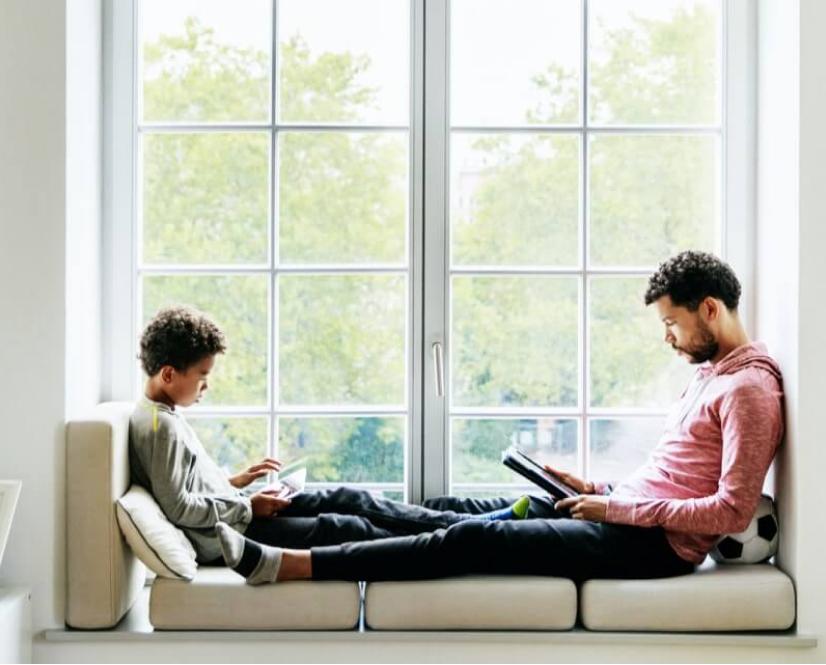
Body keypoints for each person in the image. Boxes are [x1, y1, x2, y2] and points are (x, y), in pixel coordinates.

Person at [215, 250, 786, 586]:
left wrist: (613, 506)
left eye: (672, 323)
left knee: (468, 538)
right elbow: (677, 475)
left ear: (709, 309)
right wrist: (597, 487)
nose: (669, 337)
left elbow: (731, 508)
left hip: (650, 546)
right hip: (620, 513)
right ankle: (274, 508)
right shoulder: (710, 375)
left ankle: (292, 565)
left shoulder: (750, 391)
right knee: (446, 509)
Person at [128, 306, 529, 568]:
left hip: (239, 512)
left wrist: (238, 482)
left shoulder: (164, 417)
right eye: (202, 376)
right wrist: (249, 507)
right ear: (168, 374)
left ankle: (469, 523)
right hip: (234, 533)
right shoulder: (159, 427)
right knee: (344, 526)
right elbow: (179, 507)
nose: (206, 386)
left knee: (347, 498)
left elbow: (185, 486)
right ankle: (469, 535)